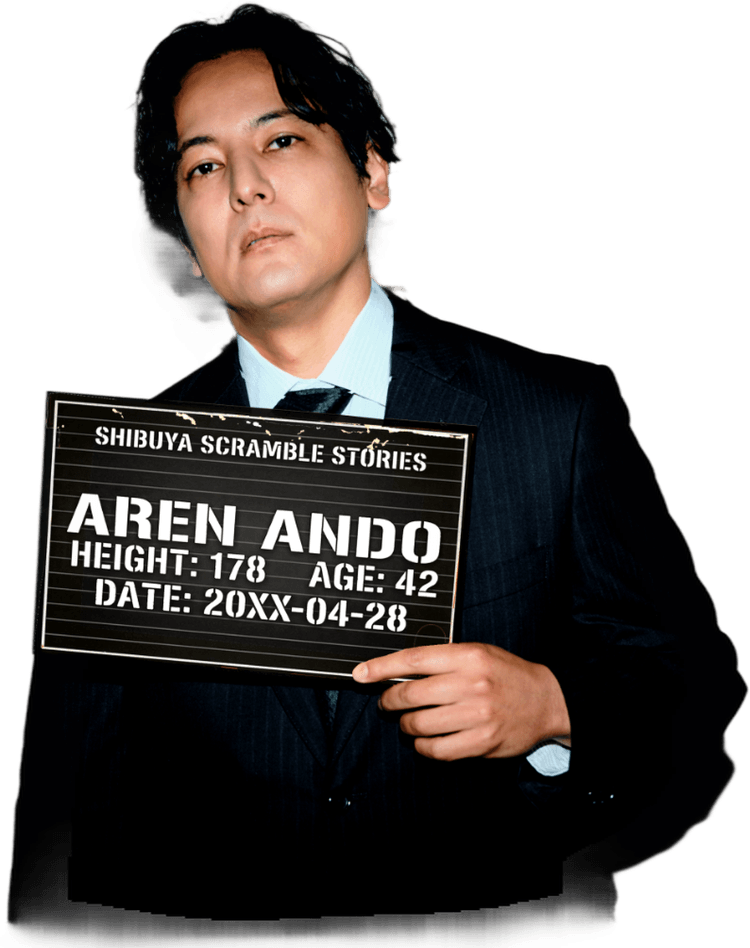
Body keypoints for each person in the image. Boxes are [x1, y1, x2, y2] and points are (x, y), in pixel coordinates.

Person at [7, 1, 746, 939]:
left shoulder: (559, 414)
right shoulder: (123, 475)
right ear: (186, 245)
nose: (245, 187)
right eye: (203, 166)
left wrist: (555, 710)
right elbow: (68, 822)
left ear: (372, 173)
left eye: (281, 140)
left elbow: (692, 690)